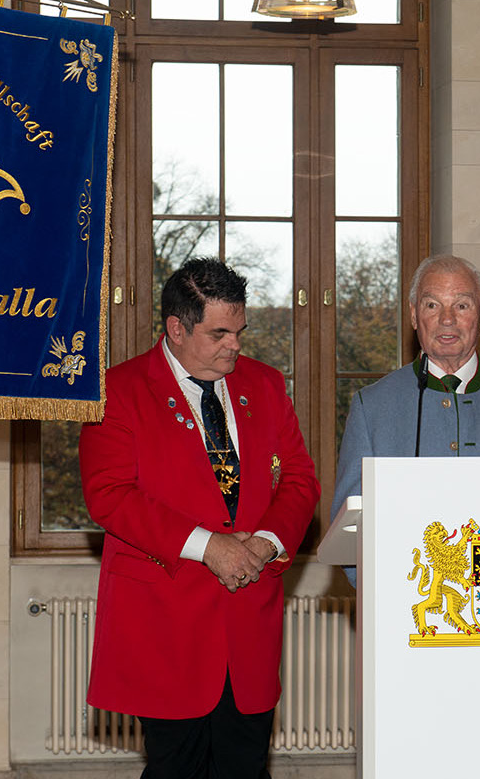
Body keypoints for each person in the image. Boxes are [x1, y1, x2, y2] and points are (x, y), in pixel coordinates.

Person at [80, 257, 319, 779]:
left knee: (246, 768)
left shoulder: (266, 384)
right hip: (166, 627)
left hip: (249, 623)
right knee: (176, 768)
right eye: (219, 334)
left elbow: (300, 480)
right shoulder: (118, 391)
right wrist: (211, 547)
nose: (235, 345)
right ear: (176, 328)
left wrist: (264, 544)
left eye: (239, 331)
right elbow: (109, 495)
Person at [331, 254, 480, 584]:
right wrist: (390, 595)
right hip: (410, 598)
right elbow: (350, 535)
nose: (447, 319)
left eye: (462, 306)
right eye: (432, 305)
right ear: (414, 315)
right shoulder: (372, 407)